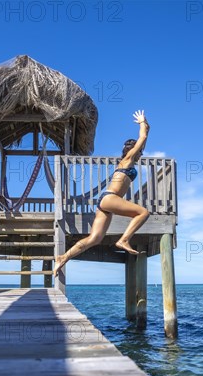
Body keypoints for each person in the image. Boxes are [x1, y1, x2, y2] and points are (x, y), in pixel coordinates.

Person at [54, 110, 151, 277]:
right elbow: (142, 139)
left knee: (95, 238)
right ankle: (124, 240)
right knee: (143, 212)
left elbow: (145, 136)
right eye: (140, 151)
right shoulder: (127, 159)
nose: (142, 153)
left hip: (105, 202)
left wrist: (145, 124)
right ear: (133, 150)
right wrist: (141, 122)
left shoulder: (129, 162)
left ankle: (63, 257)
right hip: (110, 198)